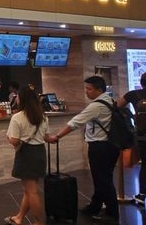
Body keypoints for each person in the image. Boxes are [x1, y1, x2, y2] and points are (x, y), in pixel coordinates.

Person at [49, 76, 119, 223]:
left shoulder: (97, 106)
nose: (86, 92)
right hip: (111, 146)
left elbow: (75, 122)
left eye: (89, 89)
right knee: (101, 178)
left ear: (99, 90)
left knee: (103, 180)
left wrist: (58, 136)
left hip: (100, 147)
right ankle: (95, 205)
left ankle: (112, 212)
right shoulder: (110, 100)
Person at [4, 87, 49, 225]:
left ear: (21, 100)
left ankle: (39, 221)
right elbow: (46, 137)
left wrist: (8, 138)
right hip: (40, 152)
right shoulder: (43, 116)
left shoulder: (17, 117)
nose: (16, 99)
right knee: (28, 190)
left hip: (26, 154)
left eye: (17, 97)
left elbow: (14, 140)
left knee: (32, 191)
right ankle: (19, 217)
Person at [117, 71, 146, 204]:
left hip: (143, 137)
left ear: (141, 83)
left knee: (145, 165)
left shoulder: (133, 94)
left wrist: (130, 118)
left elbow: (117, 107)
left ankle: (142, 194)